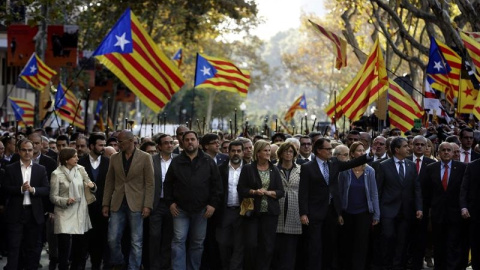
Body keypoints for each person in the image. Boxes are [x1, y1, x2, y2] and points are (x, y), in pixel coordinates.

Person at [299, 137, 372, 270]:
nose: (330, 151)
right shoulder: (307, 167)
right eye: (327, 149)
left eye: (330, 149)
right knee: (315, 245)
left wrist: (369, 154)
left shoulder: (334, 162)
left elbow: (351, 163)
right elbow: (303, 191)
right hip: (314, 211)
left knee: (329, 244)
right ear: (318, 151)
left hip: (331, 210)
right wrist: (303, 213)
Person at [164, 131, 222, 270]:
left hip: (202, 210)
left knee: (197, 243)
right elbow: (168, 184)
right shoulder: (176, 161)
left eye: (193, 139)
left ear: (198, 142)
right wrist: (170, 203)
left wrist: (213, 205)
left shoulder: (208, 161)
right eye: (187, 140)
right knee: (178, 241)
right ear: (183, 143)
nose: (190, 142)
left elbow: (217, 186)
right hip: (180, 209)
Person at [102, 130, 155, 270]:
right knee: (112, 238)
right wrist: (105, 203)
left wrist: (147, 205)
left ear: (131, 141)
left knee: (136, 241)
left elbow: (150, 183)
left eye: (121, 142)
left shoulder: (145, 157)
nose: (118, 144)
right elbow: (110, 182)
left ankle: (134, 267)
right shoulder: (114, 158)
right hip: (117, 203)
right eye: (117, 141)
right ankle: (119, 262)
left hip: (137, 204)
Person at [237, 140, 284, 270]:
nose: (268, 153)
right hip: (253, 212)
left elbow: (280, 192)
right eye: (265, 150)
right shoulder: (248, 168)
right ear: (257, 153)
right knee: (251, 244)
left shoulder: (274, 169)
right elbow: (241, 189)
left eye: (269, 150)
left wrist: (268, 192)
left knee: (268, 246)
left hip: (270, 213)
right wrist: (254, 192)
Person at [377, 137, 423, 269]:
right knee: (388, 239)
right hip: (388, 211)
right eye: (405, 146)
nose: (409, 148)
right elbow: (379, 190)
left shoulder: (411, 165)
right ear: (397, 150)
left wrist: (419, 208)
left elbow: (416, 188)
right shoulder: (384, 165)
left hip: (406, 211)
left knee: (402, 243)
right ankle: (386, 265)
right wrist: (377, 212)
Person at [3, 139, 49, 270]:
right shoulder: (10, 169)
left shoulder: (41, 169)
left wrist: (33, 189)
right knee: (14, 247)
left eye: (30, 150)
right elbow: (5, 188)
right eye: (24, 150)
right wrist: (20, 189)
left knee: (33, 249)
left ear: (33, 151)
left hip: (34, 214)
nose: (27, 152)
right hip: (15, 213)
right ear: (18, 151)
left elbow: (46, 189)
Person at [421, 142, 467, 269]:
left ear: (453, 153)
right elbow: (426, 192)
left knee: (453, 244)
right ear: (438, 153)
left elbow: (464, 191)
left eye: (449, 150)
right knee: (438, 244)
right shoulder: (431, 168)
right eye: (443, 150)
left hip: (456, 214)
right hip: (437, 214)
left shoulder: (462, 168)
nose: (446, 152)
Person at [50, 148, 96, 270]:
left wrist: (92, 186)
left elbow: (90, 184)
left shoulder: (80, 169)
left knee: (79, 247)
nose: (77, 158)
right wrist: (66, 201)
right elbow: (53, 197)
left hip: (79, 211)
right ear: (66, 159)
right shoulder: (56, 174)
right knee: (64, 247)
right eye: (74, 157)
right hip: (63, 212)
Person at [338, 142, 379, 270]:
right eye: (359, 151)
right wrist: (338, 213)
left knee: (361, 245)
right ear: (352, 154)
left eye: (363, 150)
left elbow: (374, 193)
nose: (362, 153)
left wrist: (376, 214)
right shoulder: (345, 171)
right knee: (347, 244)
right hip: (347, 212)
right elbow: (339, 192)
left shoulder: (370, 170)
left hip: (364, 213)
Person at [78, 133, 109, 270]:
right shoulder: (80, 163)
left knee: (99, 244)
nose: (103, 148)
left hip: (102, 210)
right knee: (82, 244)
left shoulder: (108, 162)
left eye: (104, 145)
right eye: (100, 145)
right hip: (84, 210)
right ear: (91, 146)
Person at [272, 142, 302, 270]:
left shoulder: (301, 169)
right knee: (275, 247)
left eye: (291, 151)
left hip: (295, 209)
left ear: (295, 154)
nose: (288, 154)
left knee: (290, 248)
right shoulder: (273, 168)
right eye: (285, 151)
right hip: (276, 208)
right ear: (280, 153)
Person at [216, 141, 245, 270]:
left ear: (243, 152)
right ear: (228, 152)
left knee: (239, 246)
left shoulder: (249, 169)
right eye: (233, 151)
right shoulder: (220, 169)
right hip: (225, 211)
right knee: (223, 244)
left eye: (239, 151)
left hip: (243, 212)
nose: (236, 153)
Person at [149, 134, 177, 269]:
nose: (169, 145)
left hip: (174, 204)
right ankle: (154, 265)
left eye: (171, 142)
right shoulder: (151, 160)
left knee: (169, 237)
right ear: (159, 146)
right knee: (154, 236)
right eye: (166, 143)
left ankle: (165, 265)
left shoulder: (178, 160)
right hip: (156, 204)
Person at [460, 155, 480, 269]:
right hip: (475, 213)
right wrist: (463, 207)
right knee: (476, 246)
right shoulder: (472, 166)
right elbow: (464, 188)